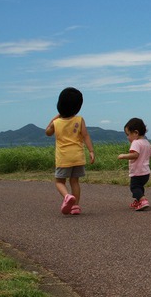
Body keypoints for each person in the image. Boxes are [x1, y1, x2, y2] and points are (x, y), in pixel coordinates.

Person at [45, 87, 95, 215]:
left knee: (59, 181)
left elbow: (47, 132)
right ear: (78, 107)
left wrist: (56, 116)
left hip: (64, 158)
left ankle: (67, 197)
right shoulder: (79, 120)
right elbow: (86, 136)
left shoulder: (57, 122)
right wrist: (91, 151)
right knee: (75, 181)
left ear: (59, 104)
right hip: (78, 157)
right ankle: (75, 206)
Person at [118, 118, 151, 211]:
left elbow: (135, 155)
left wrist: (123, 156)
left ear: (136, 133)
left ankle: (143, 200)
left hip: (138, 172)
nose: (127, 137)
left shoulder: (136, 142)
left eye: (128, 134)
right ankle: (138, 201)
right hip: (146, 173)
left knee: (134, 187)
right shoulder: (147, 142)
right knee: (139, 187)